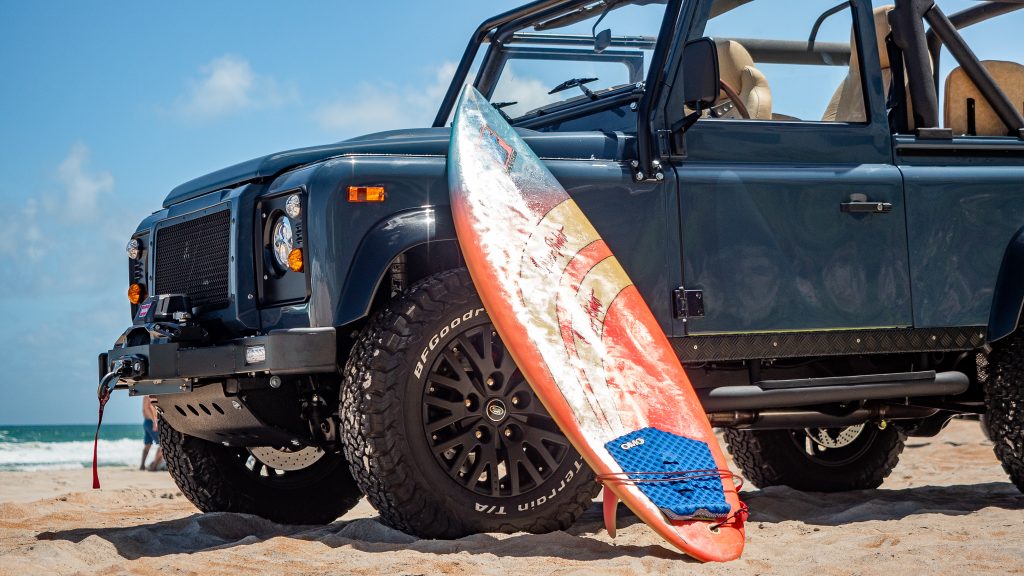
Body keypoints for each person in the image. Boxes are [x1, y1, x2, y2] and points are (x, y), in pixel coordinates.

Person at [140, 396, 164, 471]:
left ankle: (142, 465)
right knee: (162, 444)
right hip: (152, 422)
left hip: (147, 422)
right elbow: (147, 408)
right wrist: (154, 421)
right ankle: (154, 466)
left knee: (148, 444)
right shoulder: (148, 395)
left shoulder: (146, 396)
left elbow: (145, 409)